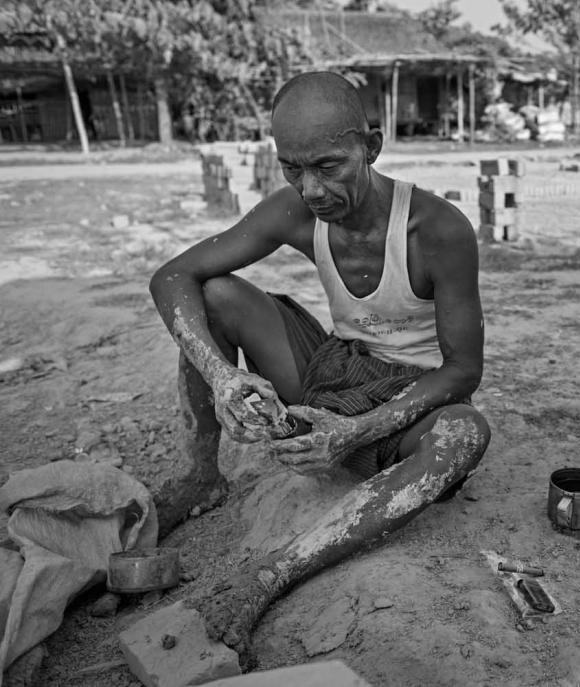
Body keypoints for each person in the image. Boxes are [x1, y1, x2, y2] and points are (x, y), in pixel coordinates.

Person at [148, 71, 490, 650]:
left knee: (464, 434)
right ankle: (203, 475)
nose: (309, 189)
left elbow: (462, 371)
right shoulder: (298, 210)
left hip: (410, 402)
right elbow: (173, 276)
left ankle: (278, 570)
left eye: (329, 166)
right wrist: (222, 376)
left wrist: (357, 430)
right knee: (214, 296)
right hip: (334, 371)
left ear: (371, 148)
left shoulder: (436, 229)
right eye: (292, 168)